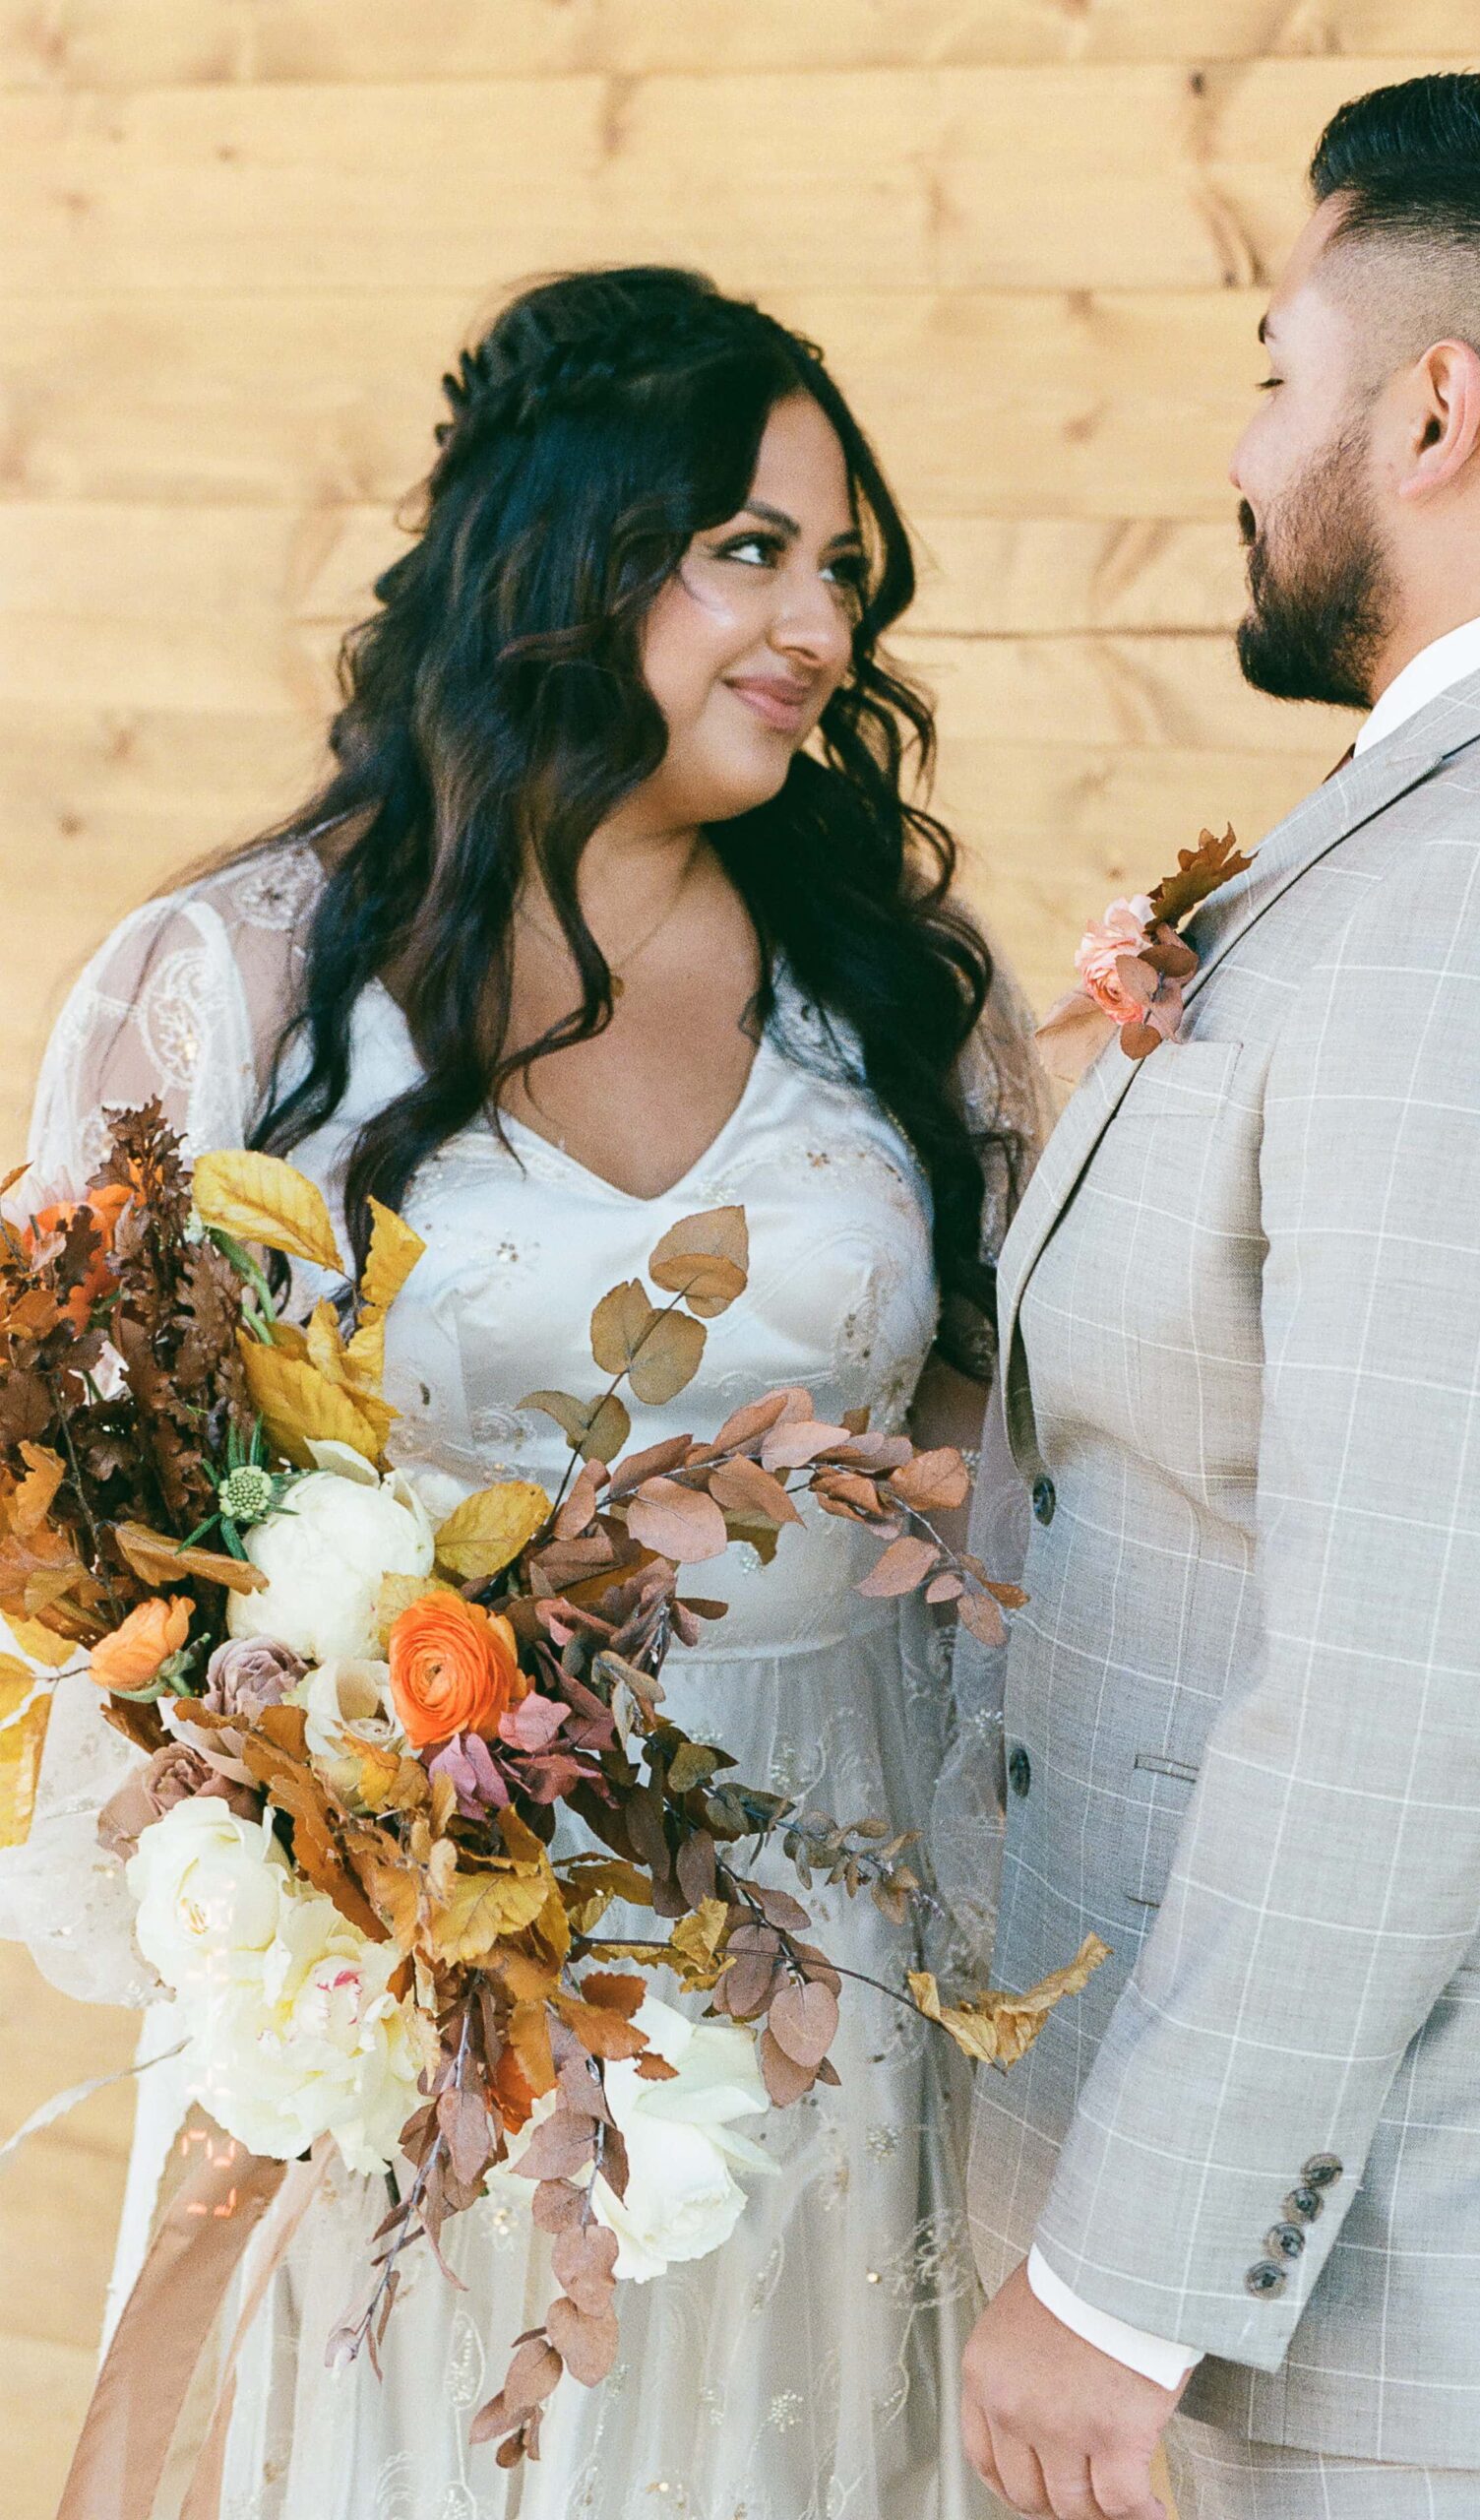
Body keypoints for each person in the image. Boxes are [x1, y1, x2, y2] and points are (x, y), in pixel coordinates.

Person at [3, 266, 1048, 2518]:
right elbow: (102, 1537)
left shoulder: (900, 999)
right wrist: (293, 1861)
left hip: (828, 1941)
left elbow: (1007, 1503)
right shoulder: (247, 983)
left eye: (844, 566)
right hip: (420, 1950)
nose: (821, 625)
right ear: (565, 559)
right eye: (749, 548)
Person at [960, 67, 1480, 2520]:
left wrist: (1125, 2272)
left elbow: (1411, 1659)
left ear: (1436, 408)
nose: (1250, 450)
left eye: (1279, 373)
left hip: (1415, 2327)